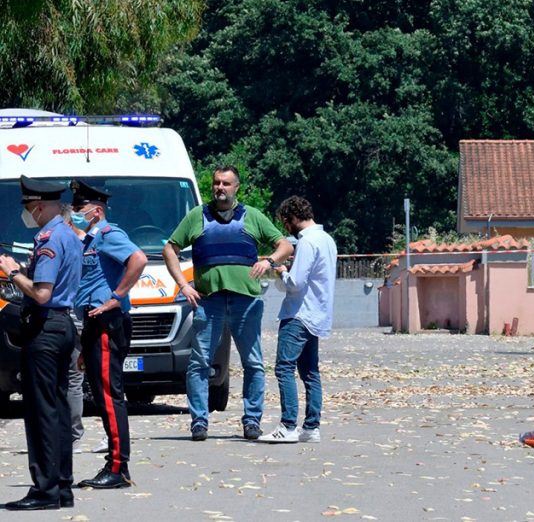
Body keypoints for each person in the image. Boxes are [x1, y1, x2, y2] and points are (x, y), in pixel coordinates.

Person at [162, 165, 293, 441]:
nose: (220, 188)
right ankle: (199, 422)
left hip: (245, 302)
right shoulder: (197, 216)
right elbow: (170, 249)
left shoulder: (252, 216)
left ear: (236, 187)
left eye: (226, 183)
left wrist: (269, 261)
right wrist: (183, 285)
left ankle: (252, 421)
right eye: (216, 183)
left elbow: (285, 246)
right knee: (199, 363)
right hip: (208, 302)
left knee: (253, 363)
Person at [0, 176, 82, 510]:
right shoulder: (69, 235)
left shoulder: (49, 238)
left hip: (45, 327)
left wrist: (12, 273)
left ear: (40, 206)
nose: (27, 214)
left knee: (41, 412)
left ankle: (45, 490)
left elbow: (42, 293)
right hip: (63, 325)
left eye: (29, 207)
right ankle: (61, 486)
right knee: (58, 408)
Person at [70, 180, 147, 489]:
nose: (75, 213)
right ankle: (116, 465)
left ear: (97, 211)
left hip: (107, 322)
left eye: (79, 208)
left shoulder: (108, 234)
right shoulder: (90, 239)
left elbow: (138, 259)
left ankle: (117, 467)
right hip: (94, 324)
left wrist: (117, 296)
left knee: (109, 397)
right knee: (103, 397)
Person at [259, 196, 336, 443]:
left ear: (290, 219)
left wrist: (282, 272)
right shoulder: (327, 239)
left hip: (299, 314)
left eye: (285, 223)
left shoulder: (307, 242)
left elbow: (296, 283)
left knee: (284, 367)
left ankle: (288, 425)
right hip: (318, 314)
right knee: (310, 372)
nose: (286, 228)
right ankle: (311, 428)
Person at [57, 204, 87, 455]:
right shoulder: (88, 243)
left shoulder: (65, 243)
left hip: (70, 317)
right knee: (73, 379)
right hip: (78, 317)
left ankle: (71, 435)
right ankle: (72, 434)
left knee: (71, 378)